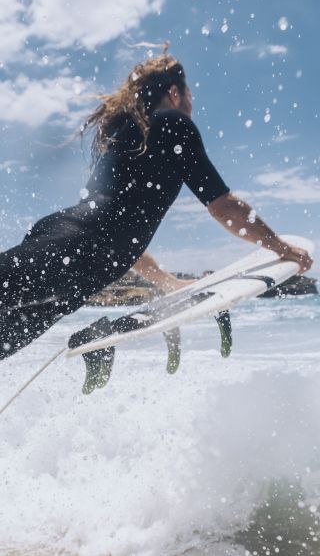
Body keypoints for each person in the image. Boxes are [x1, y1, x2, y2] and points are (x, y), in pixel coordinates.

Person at [0, 53, 313, 378]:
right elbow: (224, 206)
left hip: (74, 259)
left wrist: (167, 282)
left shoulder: (133, 138)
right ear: (175, 93)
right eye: (189, 94)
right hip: (70, 251)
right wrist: (281, 248)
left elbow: (120, 231)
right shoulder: (173, 122)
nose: (191, 101)